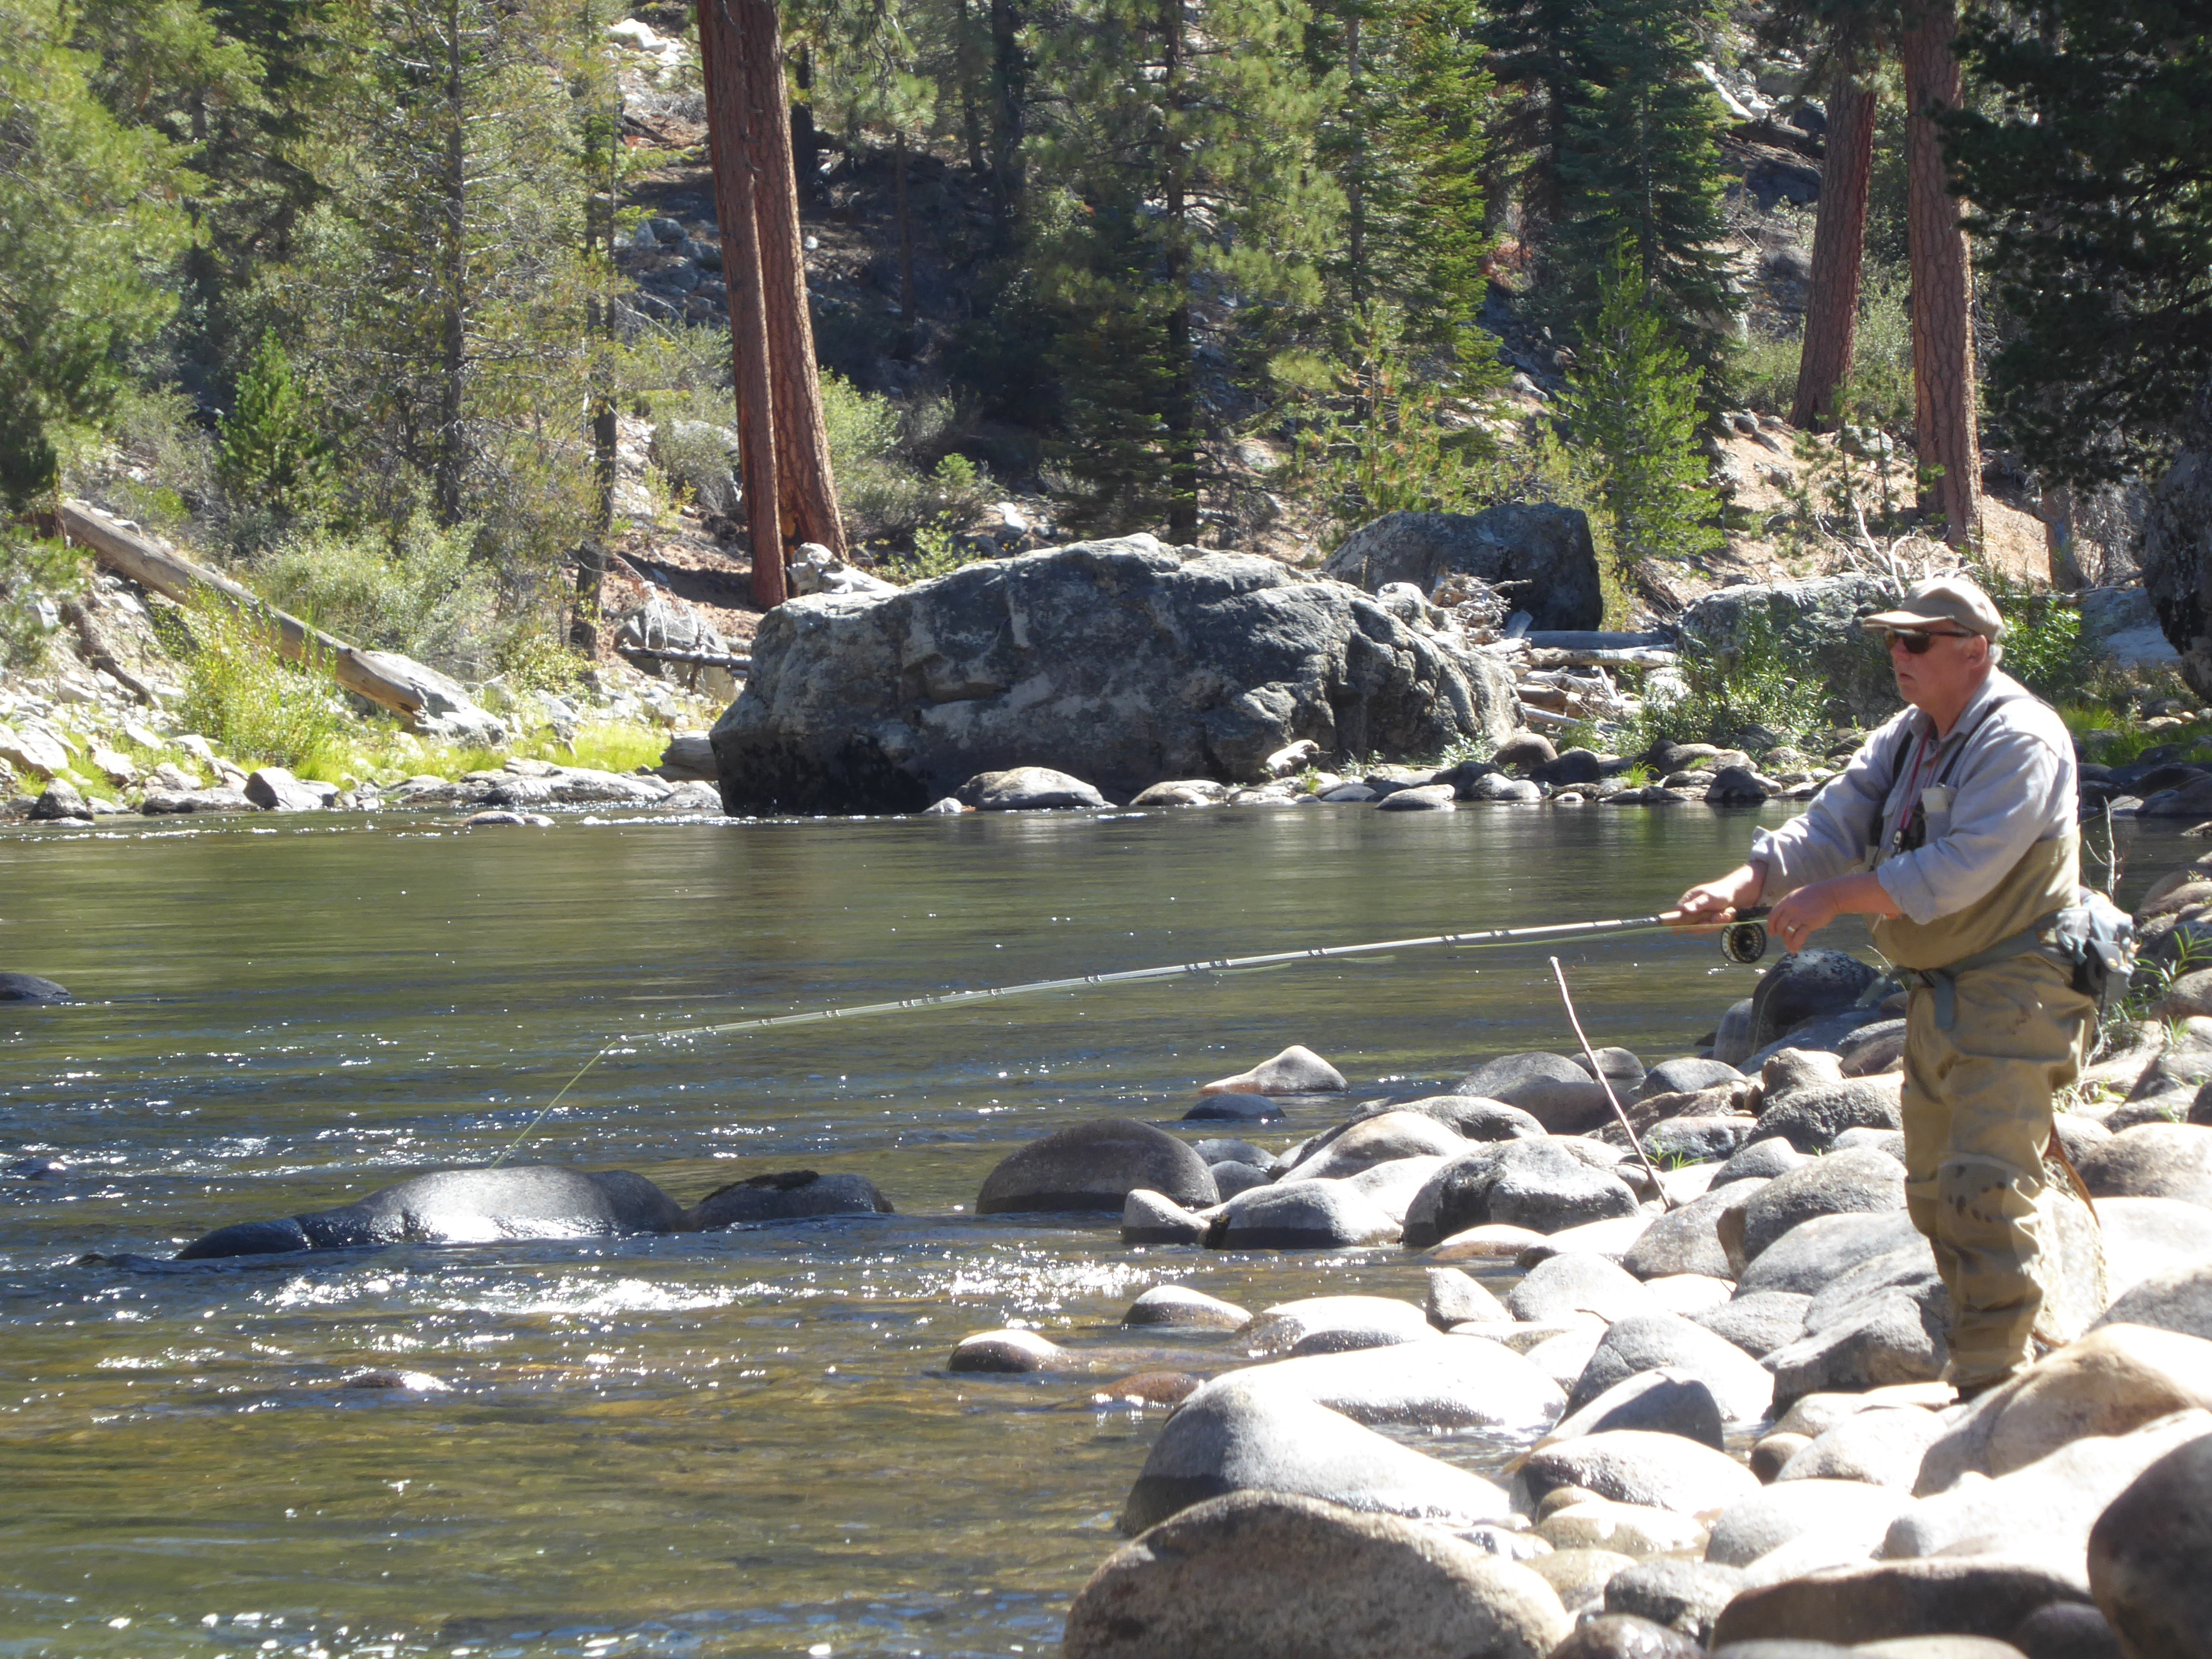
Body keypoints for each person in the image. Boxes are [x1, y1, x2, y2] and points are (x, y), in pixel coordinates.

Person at [1676, 575, 2090, 1400]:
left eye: (1917, 642)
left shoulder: (2023, 741)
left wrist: (1832, 898)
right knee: (1935, 1191)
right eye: (1892, 641)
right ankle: (2016, 1351)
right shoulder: (1908, 735)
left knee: (1986, 1183)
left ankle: (1992, 1379)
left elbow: (1961, 868)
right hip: (1941, 991)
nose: (1897, 655)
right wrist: (1744, 883)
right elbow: (1831, 825)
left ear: (1974, 651)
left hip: (2020, 988)